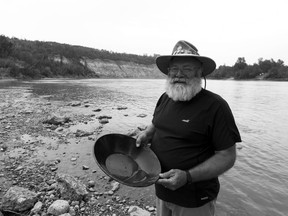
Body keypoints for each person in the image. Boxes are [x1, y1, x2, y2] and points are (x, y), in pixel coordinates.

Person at [136, 40, 241, 216]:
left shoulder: (216, 106)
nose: (179, 74)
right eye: (174, 69)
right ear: (168, 72)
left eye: (187, 69)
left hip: (194, 200)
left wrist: (188, 177)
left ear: (199, 73)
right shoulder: (165, 98)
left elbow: (227, 157)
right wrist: (146, 133)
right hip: (161, 191)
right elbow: (156, 124)